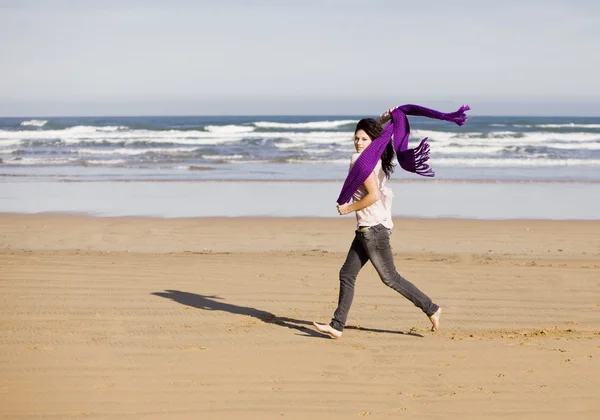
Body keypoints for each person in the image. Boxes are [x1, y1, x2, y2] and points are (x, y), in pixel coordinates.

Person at [312, 108, 442, 339]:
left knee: (390, 278)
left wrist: (348, 208)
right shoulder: (375, 158)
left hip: (373, 229)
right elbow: (381, 138)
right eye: (356, 138)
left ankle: (431, 308)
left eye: (364, 139)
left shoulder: (363, 163)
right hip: (368, 228)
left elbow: (372, 195)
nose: (358, 143)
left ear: (372, 142)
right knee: (346, 274)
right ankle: (337, 326)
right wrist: (383, 120)